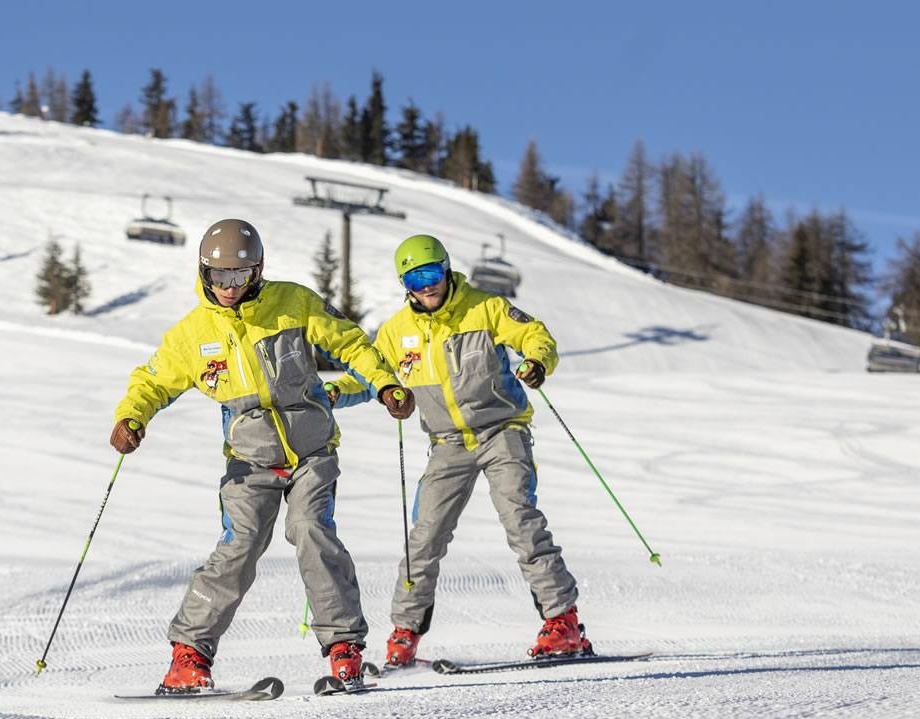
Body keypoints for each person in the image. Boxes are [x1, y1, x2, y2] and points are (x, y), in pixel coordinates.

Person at [110, 218, 415, 693]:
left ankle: (343, 648)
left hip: (312, 452)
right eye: (218, 277)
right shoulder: (193, 335)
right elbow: (152, 380)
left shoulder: (293, 303)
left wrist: (386, 383)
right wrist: (133, 417)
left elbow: (351, 343)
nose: (228, 288)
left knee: (311, 530)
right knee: (241, 544)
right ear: (203, 273)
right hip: (248, 462)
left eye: (239, 276)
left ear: (258, 271)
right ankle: (189, 653)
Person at [330, 233, 589, 667]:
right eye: (415, 278)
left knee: (520, 518)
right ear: (404, 284)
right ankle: (404, 632)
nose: (426, 285)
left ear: (447, 269)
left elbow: (534, 334)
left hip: (500, 429)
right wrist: (337, 392)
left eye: (432, 273)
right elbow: (371, 373)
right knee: (425, 535)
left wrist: (536, 361)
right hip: (447, 443)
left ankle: (563, 622)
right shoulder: (397, 332)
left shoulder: (485, 308)